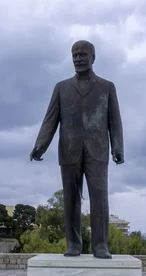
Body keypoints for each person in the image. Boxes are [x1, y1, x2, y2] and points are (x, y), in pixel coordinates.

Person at [30, 40, 124, 259]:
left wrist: (118, 146)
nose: (78, 59)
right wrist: (40, 145)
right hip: (69, 150)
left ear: (93, 57)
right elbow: (50, 119)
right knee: (71, 198)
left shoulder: (106, 87)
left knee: (99, 197)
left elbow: (115, 120)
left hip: (98, 150)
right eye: (75, 55)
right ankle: (73, 244)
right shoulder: (61, 87)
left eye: (83, 54)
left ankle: (100, 245)